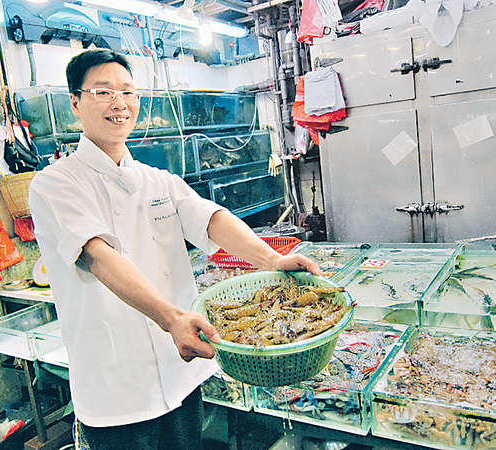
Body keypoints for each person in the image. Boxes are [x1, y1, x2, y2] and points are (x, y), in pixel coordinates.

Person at [28, 49, 320, 450]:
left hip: (179, 374)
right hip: (116, 390)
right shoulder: (55, 184)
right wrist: (172, 319)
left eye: (129, 92)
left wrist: (273, 259)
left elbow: (211, 218)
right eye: (103, 91)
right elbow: (98, 255)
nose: (120, 103)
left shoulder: (157, 179)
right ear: (75, 102)